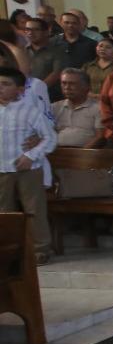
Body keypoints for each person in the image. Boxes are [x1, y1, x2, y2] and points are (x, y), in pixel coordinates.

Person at [0, 66, 55, 264]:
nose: (1, 88)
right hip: (1, 168)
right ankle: (7, 250)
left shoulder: (30, 111)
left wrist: (31, 156)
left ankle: (40, 249)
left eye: (6, 84)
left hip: (27, 168)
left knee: (33, 209)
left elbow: (49, 138)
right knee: (4, 211)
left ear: (20, 89)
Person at [48, 67, 99, 147]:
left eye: (72, 84)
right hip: (57, 153)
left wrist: (81, 154)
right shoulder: (54, 108)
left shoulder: (97, 108)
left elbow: (100, 137)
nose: (67, 87)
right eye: (64, 83)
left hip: (87, 154)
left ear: (86, 86)